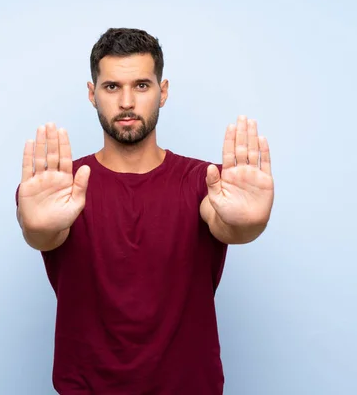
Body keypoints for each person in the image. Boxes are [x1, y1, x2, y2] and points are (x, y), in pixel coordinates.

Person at [15, 28, 274, 395]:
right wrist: (37, 228)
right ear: (92, 95)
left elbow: (227, 224)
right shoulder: (60, 186)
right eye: (111, 87)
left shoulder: (207, 181)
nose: (126, 102)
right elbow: (42, 231)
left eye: (141, 86)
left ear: (162, 92)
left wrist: (250, 223)